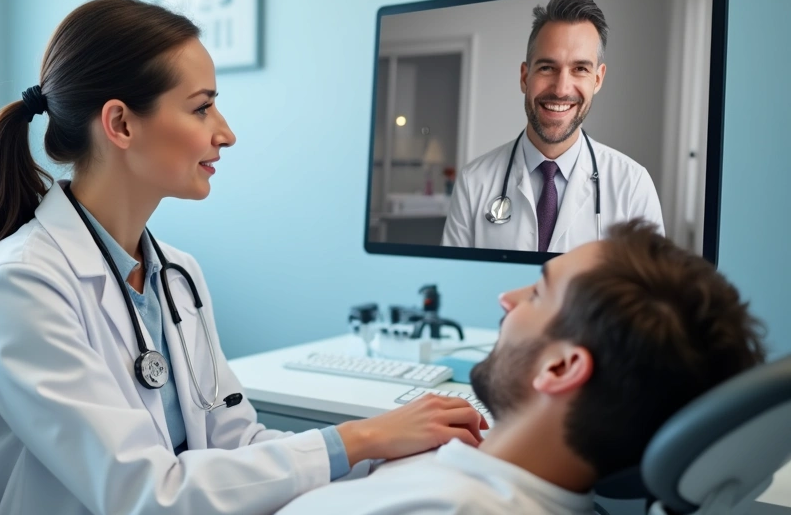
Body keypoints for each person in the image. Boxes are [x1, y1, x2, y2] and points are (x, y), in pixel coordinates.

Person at [0, 0, 487, 515]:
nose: (226, 134)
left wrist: (385, 453)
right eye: (201, 109)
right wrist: (360, 438)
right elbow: (144, 492)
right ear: (120, 123)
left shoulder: (176, 275)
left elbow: (236, 444)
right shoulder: (22, 285)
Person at [280, 219, 767, 514]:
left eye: (537, 292)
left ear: (560, 369)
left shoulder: (448, 507)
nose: (506, 299)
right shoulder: (463, 471)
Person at [442, 0, 665, 253]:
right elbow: (455, 287)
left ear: (598, 79)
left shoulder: (633, 185)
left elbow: (651, 292)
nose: (561, 89)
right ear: (525, 76)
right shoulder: (473, 182)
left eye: (580, 69)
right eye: (547, 67)